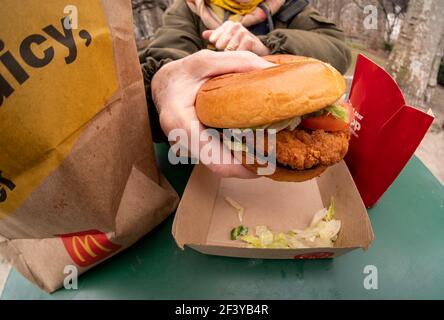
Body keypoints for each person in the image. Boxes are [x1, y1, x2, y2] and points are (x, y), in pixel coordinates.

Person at [142, 0, 352, 178]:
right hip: (189, 160)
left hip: (296, 132)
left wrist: (266, 46)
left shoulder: (291, 7)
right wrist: (164, 81)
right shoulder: (187, 8)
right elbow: (167, 49)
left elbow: (337, 48)